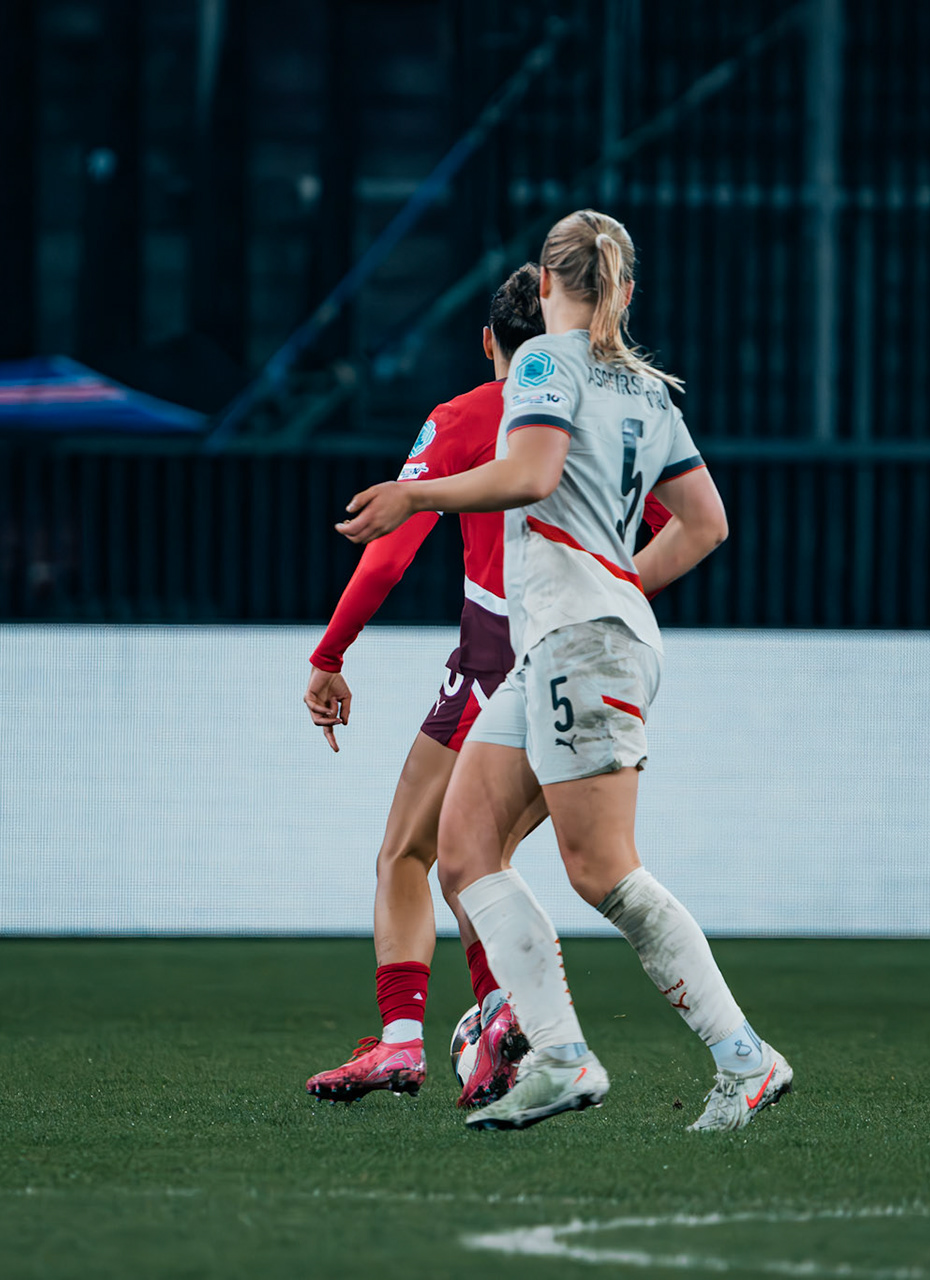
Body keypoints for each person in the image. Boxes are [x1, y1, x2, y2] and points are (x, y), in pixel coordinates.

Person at [337, 209, 793, 1133]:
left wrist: (416, 493)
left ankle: (744, 1057)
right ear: (623, 289)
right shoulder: (651, 391)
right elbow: (706, 526)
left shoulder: (546, 361)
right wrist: (621, 586)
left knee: (602, 871)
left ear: (546, 286)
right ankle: (561, 1056)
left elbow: (534, 473)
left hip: (578, 641)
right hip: (565, 641)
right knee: (464, 849)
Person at [302, 264, 552, 1109]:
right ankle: (495, 1022)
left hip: (493, 658)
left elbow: (392, 543)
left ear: (488, 340)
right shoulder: (602, 423)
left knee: (413, 850)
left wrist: (331, 654)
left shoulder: (468, 418)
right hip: (587, 662)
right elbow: (666, 533)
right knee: (482, 856)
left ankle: (415, 1037)